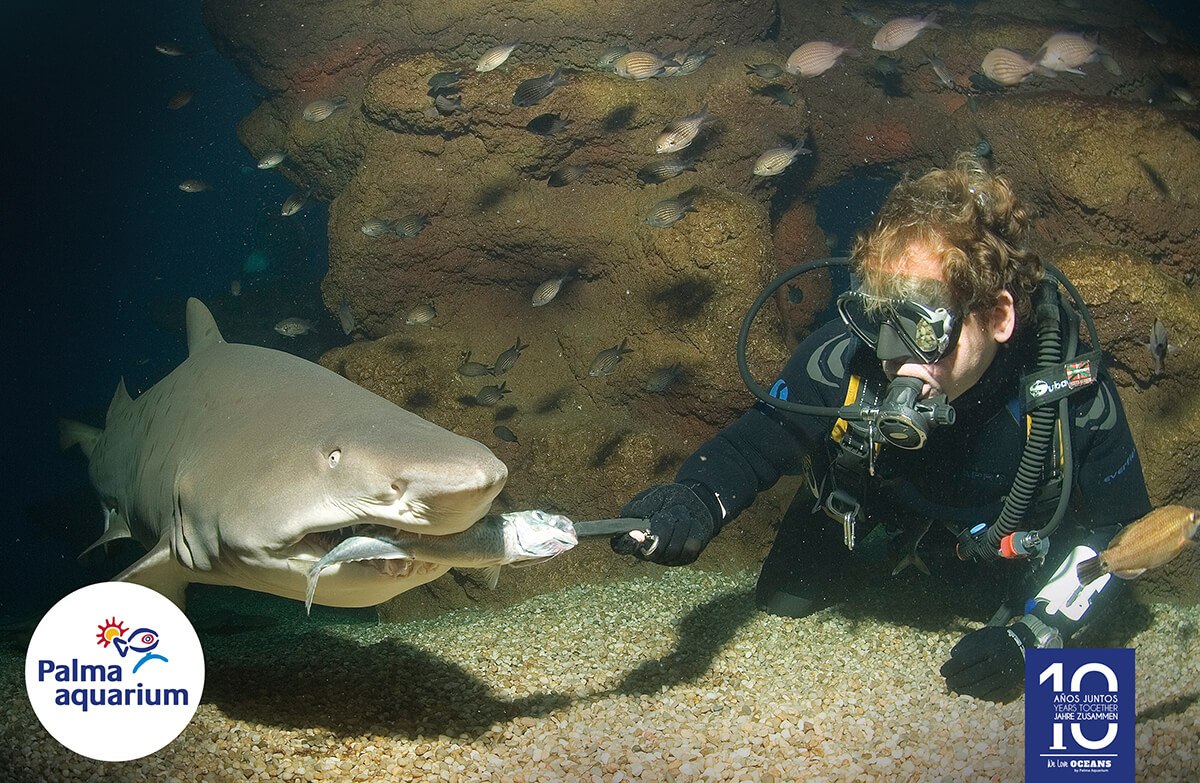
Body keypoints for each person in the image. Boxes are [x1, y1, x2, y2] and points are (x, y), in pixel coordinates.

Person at [611, 154, 1151, 701]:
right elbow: (757, 443)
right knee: (780, 603)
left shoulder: (1071, 399)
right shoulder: (841, 360)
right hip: (870, 522)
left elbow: (1124, 533)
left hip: (1001, 552)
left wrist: (1040, 634)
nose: (896, 358)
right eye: (883, 320)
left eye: (924, 322)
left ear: (997, 316)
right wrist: (697, 496)